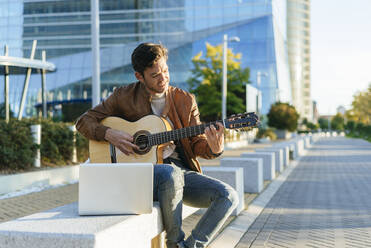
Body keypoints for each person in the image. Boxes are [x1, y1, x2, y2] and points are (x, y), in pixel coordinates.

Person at [76, 43, 238, 248]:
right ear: (139, 76)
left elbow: (198, 144)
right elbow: (83, 121)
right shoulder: (123, 96)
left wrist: (214, 149)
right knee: (170, 173)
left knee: (228, 196)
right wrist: (109, 134)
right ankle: (174, 242)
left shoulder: (185, 100)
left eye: (165, 71)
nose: (163, 78)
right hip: (139, 175)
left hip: (180, 173)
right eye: (155, 75)